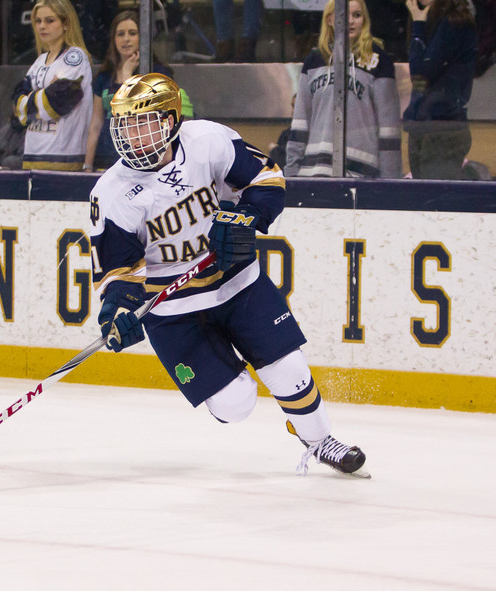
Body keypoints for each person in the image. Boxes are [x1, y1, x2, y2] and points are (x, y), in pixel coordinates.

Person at [88, 73, 367, 477]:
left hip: (238, 283)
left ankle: (320, 441)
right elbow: (118, 269)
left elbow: (267, 177)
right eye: (125, 126)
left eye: (142, 124)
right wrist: (118, 311)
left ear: (170, 121)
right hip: (173, 311)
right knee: (236, 403)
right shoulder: (111, 193)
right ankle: (223, 375)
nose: (132, 136)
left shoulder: (208, 140)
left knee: (289, 370)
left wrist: (244, 217)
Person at [285, 0, 401, 178]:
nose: (351, 21)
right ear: (330, 19)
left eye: (357, 15)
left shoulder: (379, 62)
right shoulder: (313, 61)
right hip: (313, 173)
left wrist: (390, 181)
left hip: (362, 175)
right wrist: (291, 173)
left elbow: (389, 129)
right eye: (345, 15)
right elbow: (300, 121)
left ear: (365, 20)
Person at [84, 10, 192, 172]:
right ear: (113, 39)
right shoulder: (104, 77)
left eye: (132, 33)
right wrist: (87, 165)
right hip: (105, 157)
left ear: (142, 37)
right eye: (120, 34)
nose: (126, 39)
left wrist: (127, 75)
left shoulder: (156, 74)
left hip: (143, 157)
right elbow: (96, 123)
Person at [13, 0, 93, 171]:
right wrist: (44, 94)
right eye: (38, 21)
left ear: (66, 24)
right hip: (31, 156)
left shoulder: (75, 57)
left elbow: (57, 101)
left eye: (50, 21)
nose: (42, 26)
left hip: (63, 159)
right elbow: (17, 106)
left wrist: (31, 99)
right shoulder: (39, 61)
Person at [403, 0, 477, 179]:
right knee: (421, 192)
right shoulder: (429, 20)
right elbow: (420, 82)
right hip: (422, 122)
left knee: (435, 193)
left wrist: (418, 26)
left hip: (442, 125)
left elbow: (421, 73)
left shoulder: (455, 22)